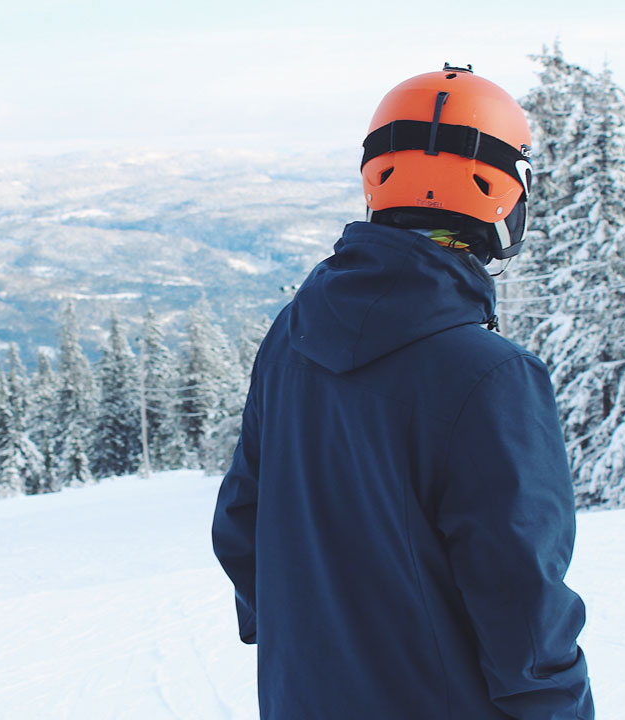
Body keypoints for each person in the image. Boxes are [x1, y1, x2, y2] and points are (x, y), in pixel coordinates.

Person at [211, 65, 594, 719]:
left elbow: (242, 527)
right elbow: (523, 609)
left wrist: (309, 648)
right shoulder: (493, 376)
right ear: (503, 191)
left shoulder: (291, 336)